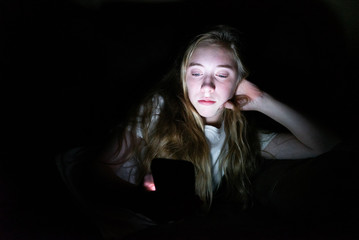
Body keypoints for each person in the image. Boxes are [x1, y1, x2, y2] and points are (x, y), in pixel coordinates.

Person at [91, 24, 341, 238]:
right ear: (183, 78)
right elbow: (98, 173)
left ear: (239, 81)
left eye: (222, 75)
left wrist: (264, 100)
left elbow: (325, 145)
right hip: (103, 217)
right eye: (196, 72)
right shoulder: (160, 107)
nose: (207, 85)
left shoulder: (242, 137)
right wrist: (145, 202)